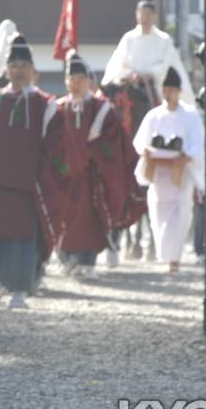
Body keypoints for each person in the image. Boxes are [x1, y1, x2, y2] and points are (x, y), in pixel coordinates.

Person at [0, 34, 66, 309]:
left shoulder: (46, 105)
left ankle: (19, 291)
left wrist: (45, 169)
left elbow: (57, 143)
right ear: (6, 70)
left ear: (33, 71)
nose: (18, 70)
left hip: (28, 186)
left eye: (23, 66)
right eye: (13, 65)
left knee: (22, 242)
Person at [54, 51, 131, 279]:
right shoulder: (58, 107)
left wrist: (96, 155)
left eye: (80, 79)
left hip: (91, 176)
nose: (76, 84)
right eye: (72, 79)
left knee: (89, 218)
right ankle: (65, 258)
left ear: (88, 81)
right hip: (65, 176)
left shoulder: (101, 109)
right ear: (66, 81)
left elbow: (112, 142)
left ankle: (88, 261)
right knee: (63, 217)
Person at [132, 67, 205, 273]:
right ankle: (165, 256)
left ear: (179, 90)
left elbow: (197, 144)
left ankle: (175, 259)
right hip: (159, 173)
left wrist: (185, 154)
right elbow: (140, 142)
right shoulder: (154, 115)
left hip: (180, 171)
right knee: (158, 214)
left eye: (172, 90)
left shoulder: (190, 115)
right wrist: (148, 150)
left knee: (180, 215)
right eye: (165, 90)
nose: (168, 94)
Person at [101, 0, 195, 105]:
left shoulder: (163, 40)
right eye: (141, 13)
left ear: (154, 16)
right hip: (131, 85)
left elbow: (168, 64)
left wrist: (151, 74)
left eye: (148, 14)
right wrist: (131, 75)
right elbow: (118, 63)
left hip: (156, 85)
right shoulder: (129, 38)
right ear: (137, 15)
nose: (144, 17)